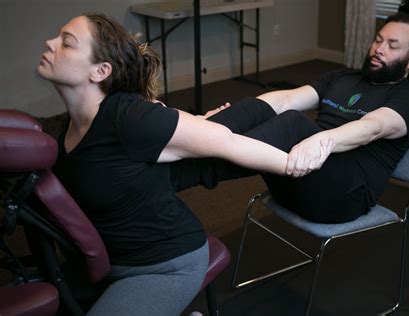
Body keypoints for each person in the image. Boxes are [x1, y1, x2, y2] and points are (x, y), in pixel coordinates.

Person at [36, 12, 327, 316]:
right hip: (111, 261)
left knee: (254, 120)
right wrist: (195, 122)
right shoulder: (64, 128)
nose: (50, 42)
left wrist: (292, 165)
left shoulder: (128, 117)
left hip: (165, 264)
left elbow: (228, 142)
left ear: (100, 71)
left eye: (66, 43)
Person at [194, 11, 409, 224]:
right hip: (297, 174)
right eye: (378, 39)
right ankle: (192, 131)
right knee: (257, 107)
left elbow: (372, 128)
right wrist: (226, 117)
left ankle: (184, 169)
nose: (379, 48)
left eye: (392, 46)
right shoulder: (344, 77)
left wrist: (319, 142)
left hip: (341, 199)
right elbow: (286, 99)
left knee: (292, 123)